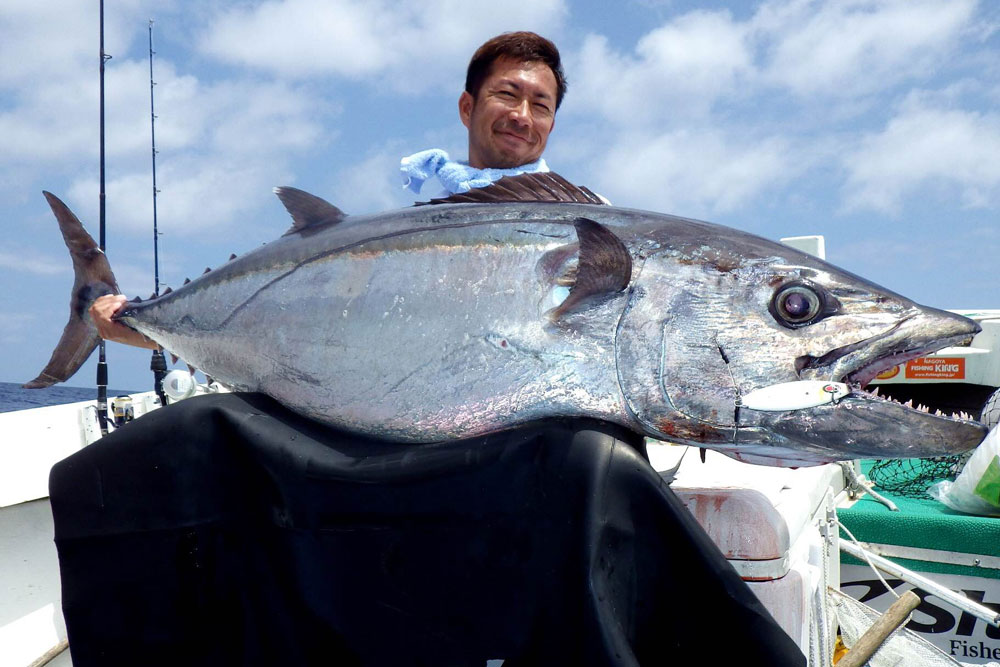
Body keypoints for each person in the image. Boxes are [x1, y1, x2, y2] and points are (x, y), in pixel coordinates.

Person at [90, 31, 567, 350]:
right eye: (507, 94)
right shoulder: (414, 236)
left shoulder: (588, 222)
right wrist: (148, 327)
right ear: (468, 107)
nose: (522, 116)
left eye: (540, 105)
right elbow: (314, 330)